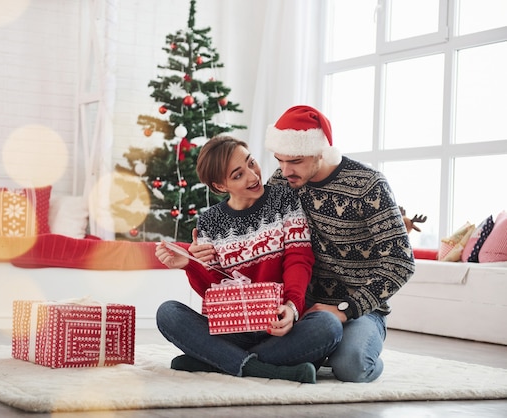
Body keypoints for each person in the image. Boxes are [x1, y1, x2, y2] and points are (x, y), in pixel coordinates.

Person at [189, 105, 415, 383]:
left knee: (353, 366)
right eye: (279, 160)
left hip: (360, 309)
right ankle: (260, 360)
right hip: (304, 308)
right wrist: (203, 252)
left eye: (294, 161)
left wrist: (345, 309)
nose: (284, 171)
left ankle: (221, 359)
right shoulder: (281, 182)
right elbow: (244, 229)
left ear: (320, 150)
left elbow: (401, 263)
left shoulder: (369, 186)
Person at [155, 135, 342, 384]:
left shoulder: (284, 200)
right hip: (234, 330)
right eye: (238, 175)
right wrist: (191, 264)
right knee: (168, 313)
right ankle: (266, 369)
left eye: (251, 163)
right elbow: (214, 291)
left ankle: (215, 361)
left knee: (327, 327)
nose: (253, 176)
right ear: (221, 186)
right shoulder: (210, 221)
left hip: (280, 327)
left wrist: (292, 307)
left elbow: (299, 259)